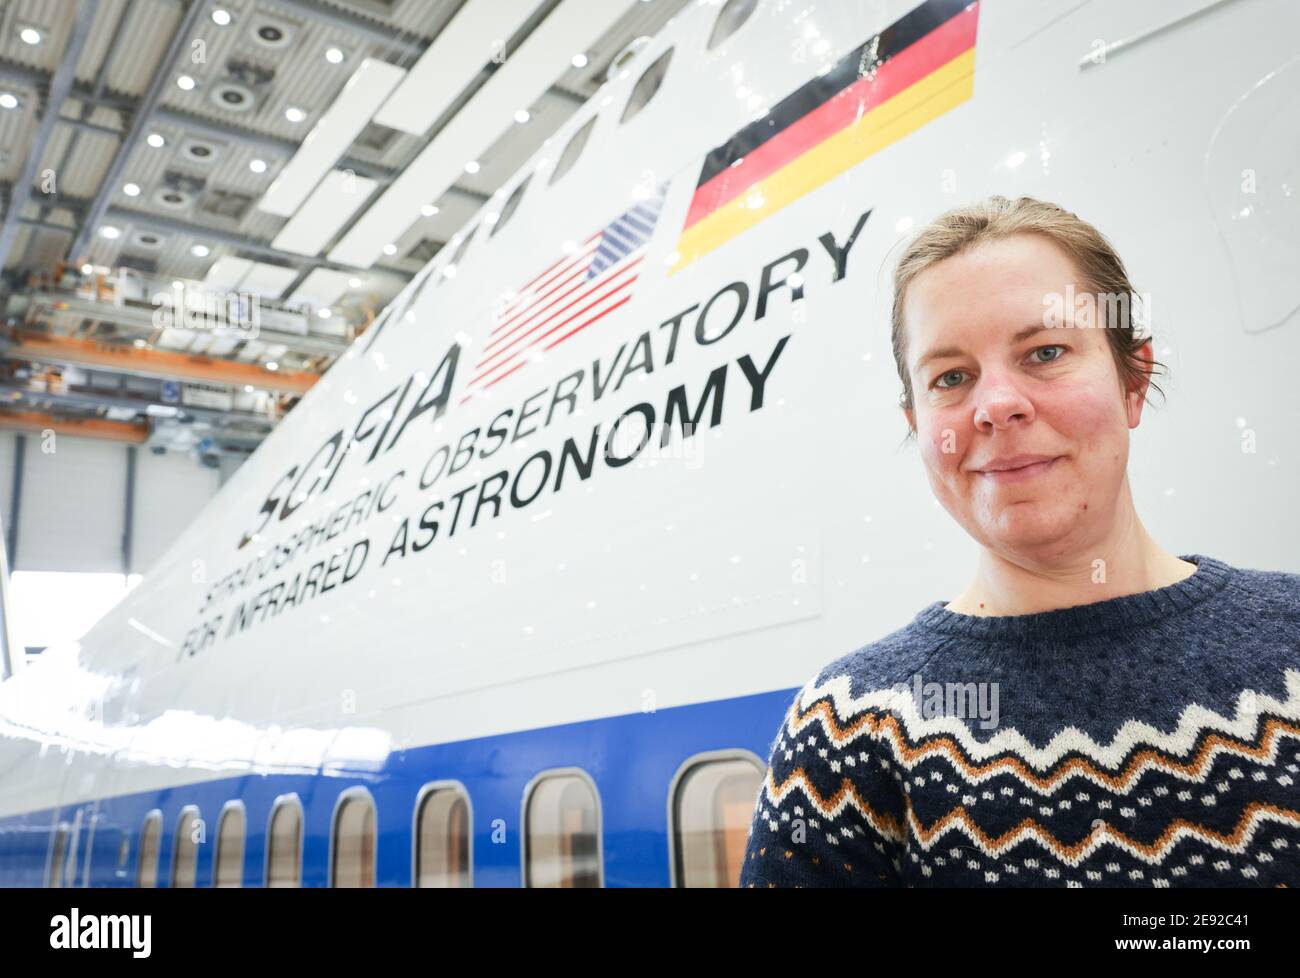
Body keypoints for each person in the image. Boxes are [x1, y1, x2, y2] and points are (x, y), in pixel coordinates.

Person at [739, 196, 1300, 887]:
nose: (997, 405)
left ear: (1134, 379)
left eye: (1046, 352)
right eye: (951, 377)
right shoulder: (848, 733)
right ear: (918, 425)